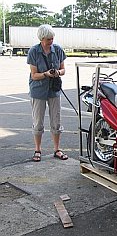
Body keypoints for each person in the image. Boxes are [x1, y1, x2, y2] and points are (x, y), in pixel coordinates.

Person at [27, 24, 68, 162]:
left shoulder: (58, 50)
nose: (51, 41)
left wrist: (57, 72)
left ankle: (57, 149)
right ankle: (37, 150)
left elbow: (63, 70)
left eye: (52, 38)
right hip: (38, 90)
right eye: (48, 39)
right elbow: (34, 75)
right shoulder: (33, 51)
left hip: (54, 90)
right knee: (38, 122)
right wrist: (45, 74)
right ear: (41, 39)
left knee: (56, 121)